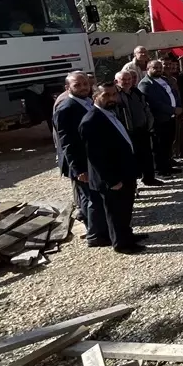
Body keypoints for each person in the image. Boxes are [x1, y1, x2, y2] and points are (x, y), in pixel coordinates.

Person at [79, 83, 144, 255]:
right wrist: (112, 180)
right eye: (106, 95)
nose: (112, 99)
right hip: (112, 177)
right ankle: (121, 244)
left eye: (114, 94)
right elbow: (96, 156)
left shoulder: (112, 114)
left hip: (125, 171)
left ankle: (127, 235)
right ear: (95, 98)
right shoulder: (91, 120)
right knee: (115, 212)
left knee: (125, 209)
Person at [53, 72, 108, 247]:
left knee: (91, 197)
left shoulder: (88, 102)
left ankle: (98, 230)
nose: (84, 87)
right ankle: (96, 235)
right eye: (78, 85)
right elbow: (67, 142)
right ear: (68, 88)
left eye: (86, 83)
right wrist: (78, 169)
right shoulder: (66, 108)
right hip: (81, 163)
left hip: (92, 159)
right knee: (92, 198)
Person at [138, 60, 181, 175]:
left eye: (159, 67)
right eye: (155, 68)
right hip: (159, 120)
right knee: (159, 146)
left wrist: (179, 106)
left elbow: (173, 94)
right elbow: (154, 103)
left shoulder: (164, 79)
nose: (158, 70)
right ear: (148, 69)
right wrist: (172, 109)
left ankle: (168, 165)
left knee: (168, 143)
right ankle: (160, 169)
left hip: (171, 117)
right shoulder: (145, 84)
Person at [115, 69, 159, 182]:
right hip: (127, 131)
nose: (127, 82)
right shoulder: (115, 96)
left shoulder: (136, 92)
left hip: (142, 129)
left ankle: (149, 178)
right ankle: (133, 184)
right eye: (123, 79)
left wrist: (149, 123)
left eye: (129, 79)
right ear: (116, 81)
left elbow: (145, 108)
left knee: (147, 155)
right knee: (131, 158)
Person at [162, 54, 183, 160]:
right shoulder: (161, 80)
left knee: (182, 133)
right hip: (169, 112)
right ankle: (172, 157)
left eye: (171, 65)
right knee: (172, 136)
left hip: (179, 108)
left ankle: (181, 153)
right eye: (166, 65)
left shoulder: (174, 79)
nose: (169, 67)